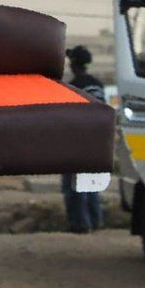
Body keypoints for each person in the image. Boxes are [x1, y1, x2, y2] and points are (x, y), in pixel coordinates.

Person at [61, 45, 104, 233]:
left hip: (78, 142)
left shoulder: (73, 86)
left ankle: (80, 224)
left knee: (73, 185)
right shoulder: (98, 85)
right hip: (98, 140)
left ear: (73, 65)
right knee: (91, 184)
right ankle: (95, 221)